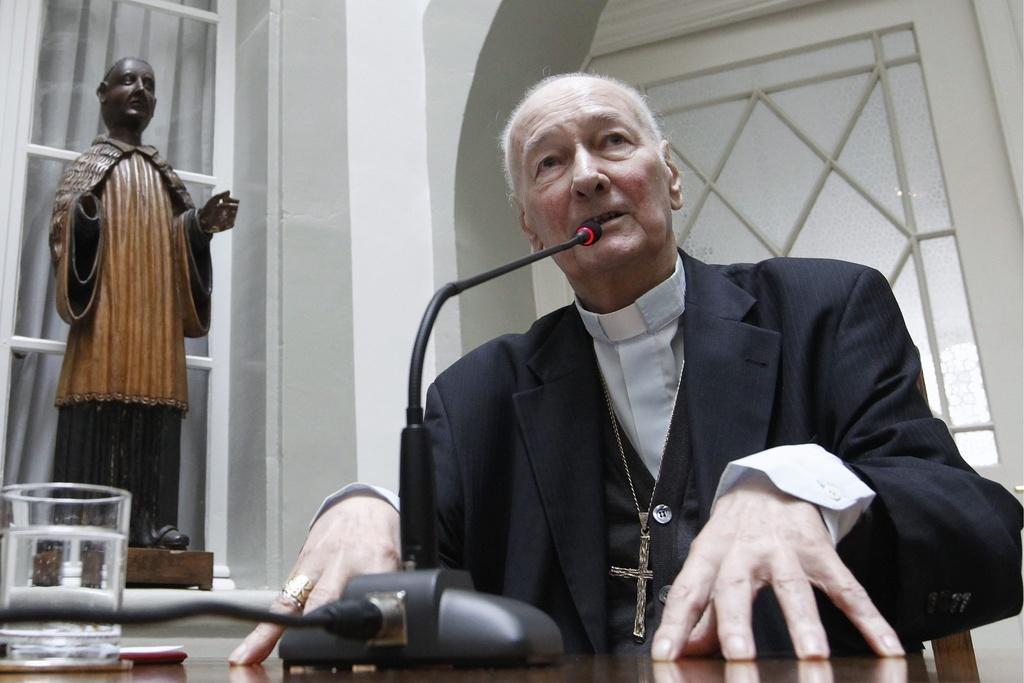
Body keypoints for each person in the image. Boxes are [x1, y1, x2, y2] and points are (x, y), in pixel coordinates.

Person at [230, 73, 1021, 664]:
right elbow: (414, 566)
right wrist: (367, 506)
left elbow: (984, 529)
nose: (586, 176)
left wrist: (811, 492)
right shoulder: (477, 394)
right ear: (530, 221)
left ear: (669, 177)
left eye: (613, 141)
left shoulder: (826, 309)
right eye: (548, 164)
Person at [49, 57, 238, 549]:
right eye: (128, 80)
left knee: (155, 421)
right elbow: (65, 228)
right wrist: (83, 216)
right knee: (98, 415)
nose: (140, 90)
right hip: (105, 319)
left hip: (154, 323)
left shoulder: (162, 174)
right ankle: (83, 526)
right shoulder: (87, 168)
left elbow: (179, 237)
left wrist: (200, 226)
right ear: (102, 92)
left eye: (150, 84)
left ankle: (152, 525)